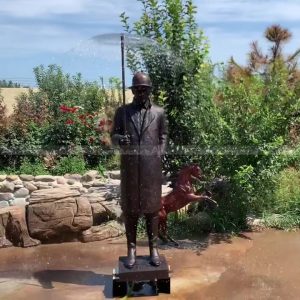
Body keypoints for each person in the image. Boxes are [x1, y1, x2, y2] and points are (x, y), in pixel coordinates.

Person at [111, 72, 168, 268]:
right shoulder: (123, 112)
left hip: (151, 169)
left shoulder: (159, 113)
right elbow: (113, 136)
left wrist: (158, 154)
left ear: (149, 90)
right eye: (137, 89)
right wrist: (120, 140)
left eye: (144, 89)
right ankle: (131, 250)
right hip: (130, 169)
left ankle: (153, 249)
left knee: (152, 210)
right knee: (131, 211)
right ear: (133, 90)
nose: (141, 92)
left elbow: (163, 136)